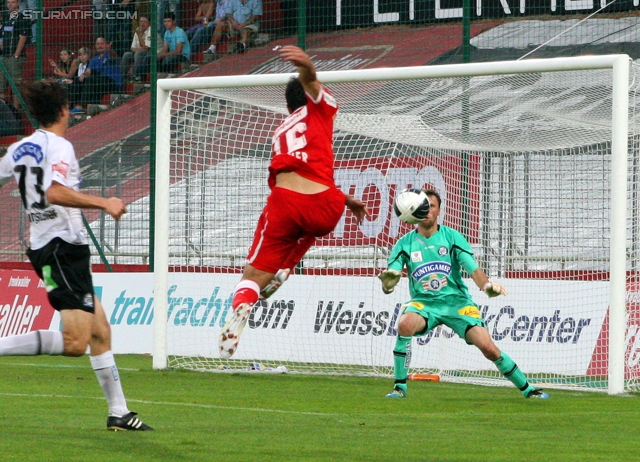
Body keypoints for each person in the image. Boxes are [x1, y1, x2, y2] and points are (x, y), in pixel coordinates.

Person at [0, 80, 153, 431]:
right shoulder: (60, 146)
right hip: (60, 248)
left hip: (51, 246)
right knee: (75, 342)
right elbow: (54, 192)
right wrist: (105, 202)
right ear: (65, 109)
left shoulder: (20, 148)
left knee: (100, 330)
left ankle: (119, 412)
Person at [218, 46, 370, 358]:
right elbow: (312, 83)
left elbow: (296, 175)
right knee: (312, 224)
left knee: (251, 278)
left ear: (288, 104)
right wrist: (308, 68)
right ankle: (287, 267)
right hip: (327, 206)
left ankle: (250, 298)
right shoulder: (320, 110)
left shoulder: (280, 130)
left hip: (286, 203)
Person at [378, 189, 550, 400]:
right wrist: (387, 286)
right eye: (423, 206)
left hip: (457, 304)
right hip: (424, 304)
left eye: (432, 206)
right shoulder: (404, 244)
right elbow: (390, 279)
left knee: (487, 347)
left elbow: (473, 269)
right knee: (404, 324)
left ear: (439, 210)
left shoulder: (452, 237)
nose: (427, 210)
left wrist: (486, 286)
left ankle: (527, 389)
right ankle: (399, 388)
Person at [71, 37, 123, 114]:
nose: (100, 46)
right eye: (98, 44)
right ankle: (72, 105)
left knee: (91, 79)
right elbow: (88, 71)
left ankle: (82, 106)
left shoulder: (110, 54)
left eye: (102, 43)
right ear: (95, 46)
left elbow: (113, 56)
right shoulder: (94, 59)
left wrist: (109, 50)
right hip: (99, 82)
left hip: (112, 83)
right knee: (77, 79)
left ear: (106, 45)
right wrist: (84, 75)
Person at [0, 0, 29, 109]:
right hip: (4, 56)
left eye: (12, 2)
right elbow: (2, 37)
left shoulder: (22, 17)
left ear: (17, 3)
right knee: (1, 85)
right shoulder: (6, 18)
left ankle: (16, 111)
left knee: (15, 85)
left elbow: (23, 37)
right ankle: (2, 113)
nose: (10, 5)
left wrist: (16, 55)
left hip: (14, 57)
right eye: (8, 2)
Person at [120, 15, 155, 81]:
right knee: (127, 54)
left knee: (138, 53)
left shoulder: (150, 31)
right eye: (141, 21)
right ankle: (123, 77)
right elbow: (132, 48)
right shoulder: (138, 30)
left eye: (145, 22)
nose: (142, 24)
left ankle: (136, 75)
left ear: (149, 23)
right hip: (139, 53)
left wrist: (139, 35)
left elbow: (146, 48)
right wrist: (138, 49)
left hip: (149, 53)